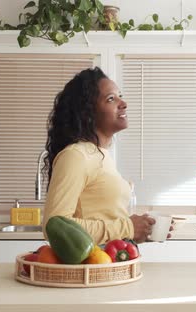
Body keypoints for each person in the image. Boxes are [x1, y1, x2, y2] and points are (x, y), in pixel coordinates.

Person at [42, 67, 156, 245]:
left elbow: (105, 219)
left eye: (120, 95)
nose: (123, 103)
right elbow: (54, 226)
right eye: (111, 99)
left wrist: (140, 230)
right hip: (90, 268)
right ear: (88, 112)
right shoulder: (76, 156)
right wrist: (128, 228)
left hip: (111, 262)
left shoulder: (101, 155)